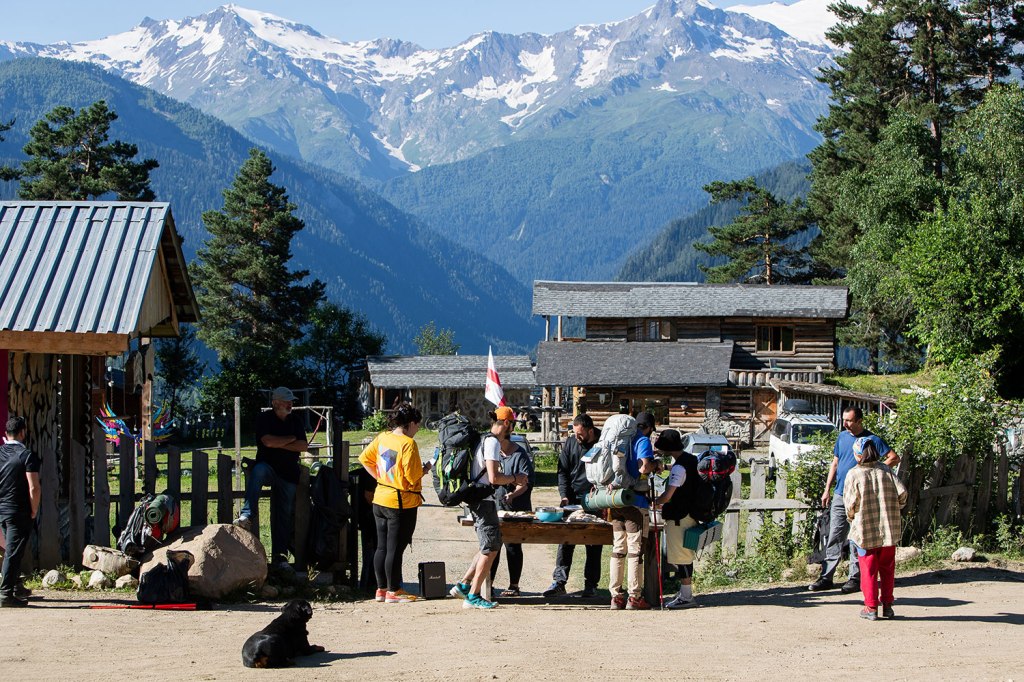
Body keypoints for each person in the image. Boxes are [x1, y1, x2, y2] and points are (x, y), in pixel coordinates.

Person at [809, 406, 900, 593]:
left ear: (859, 421)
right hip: (840, 494)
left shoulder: (871, 440)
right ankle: (826, 577)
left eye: (849, 420)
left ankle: (855, 578)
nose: (845, 424)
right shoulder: (842, 437)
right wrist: (827, 490)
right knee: (834, 535)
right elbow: (835, 463)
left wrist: (874, 470)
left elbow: (894, 458)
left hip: (861, 496)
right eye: (844, 420)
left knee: (856, 538)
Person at [450, 406, 528, 610]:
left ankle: (464, 585)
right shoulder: (492, 442)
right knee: (491, 549)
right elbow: (494, 478)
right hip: (484, 501)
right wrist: (515, 478)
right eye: (512, 424)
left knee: (489, 545)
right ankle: (473, 595)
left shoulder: (482, 439)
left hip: (477, 499)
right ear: (507, 423)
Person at [359, 402, 430, 603]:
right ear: (411, 423)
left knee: (381, 547)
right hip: (400, 503)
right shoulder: (408, 444)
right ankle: (394, 590)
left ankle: (381, 589)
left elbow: (365, 459)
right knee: (395, 549)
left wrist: (380, 478)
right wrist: (425, 470)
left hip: (380, 498)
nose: (417, 429)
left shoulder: (384, 437)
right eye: (417, 425)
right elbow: (412, 477)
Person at [235, 386, 309, 570]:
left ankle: (280, 557)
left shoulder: (295, 420)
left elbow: (303, 446)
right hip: (268, 467)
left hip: (289, 473)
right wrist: (290, 439)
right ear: (275, 403)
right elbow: (267, 441)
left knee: (284, 515)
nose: (290, 404)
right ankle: (247, 514)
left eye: (291, 401)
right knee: (259, 471)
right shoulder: (264, 418)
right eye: (286, 401)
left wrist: (279, 443)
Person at [844, 438, 908, 620]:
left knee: (868, 569)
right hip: (889, 529)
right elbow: (903, 494)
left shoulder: (854, 474)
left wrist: (852, 518)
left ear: (858, 455)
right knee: (887, 568)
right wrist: (894, 508)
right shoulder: (886, 471)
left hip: (864, 531)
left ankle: (871, 607)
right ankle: (887, 606)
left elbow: (850, 505)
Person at [543, 413, 602, 599]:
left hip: (596, 499)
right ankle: (559, 582)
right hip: (572, 499)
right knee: (565, 540)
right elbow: (562, 471)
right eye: (575, 433)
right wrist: (564, 495)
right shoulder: (570, 443)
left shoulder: (602, 442)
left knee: (593, 542)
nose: (577, 437)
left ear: (590, 431)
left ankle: (591, 585)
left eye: (580, 434)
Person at [608, 411, 659, 610]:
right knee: (635, 550)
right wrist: (656, 464)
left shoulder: (620, 439)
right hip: (636, 502)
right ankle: (634, 597)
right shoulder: (642, 441)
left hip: (615, 501)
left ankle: (615, 596)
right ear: (649, 427)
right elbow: (644, 468)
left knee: (618, 549)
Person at [653, 429, 701, 609]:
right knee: (685, 555)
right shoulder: (690, 460)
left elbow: (667, 496)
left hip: (679, 517)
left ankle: (687, 597)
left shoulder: (679, 467)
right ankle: (685, 592)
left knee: (682, 558)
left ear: (668, 448)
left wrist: (654, 502)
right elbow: (679, 469)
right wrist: (665, 467)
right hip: (690, 515)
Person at [0, 416, 41, 608]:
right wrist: (34, 509)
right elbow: (34, 487)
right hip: (18, 510)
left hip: (2, 509)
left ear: (6, 434)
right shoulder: (26, 456)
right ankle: (5, 594)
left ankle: (16, 587)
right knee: (13, 552)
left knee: (11, 549)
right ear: (23, 432)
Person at [489, 432, 534, 598]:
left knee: (513, 545)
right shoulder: (495, 455)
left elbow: (525, 482)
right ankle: (488, 585)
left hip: (516, 508)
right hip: (495, 506)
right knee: (492, 546)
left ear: (504, 440)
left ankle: (514, 586)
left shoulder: (520, 455)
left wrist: (512, 495)